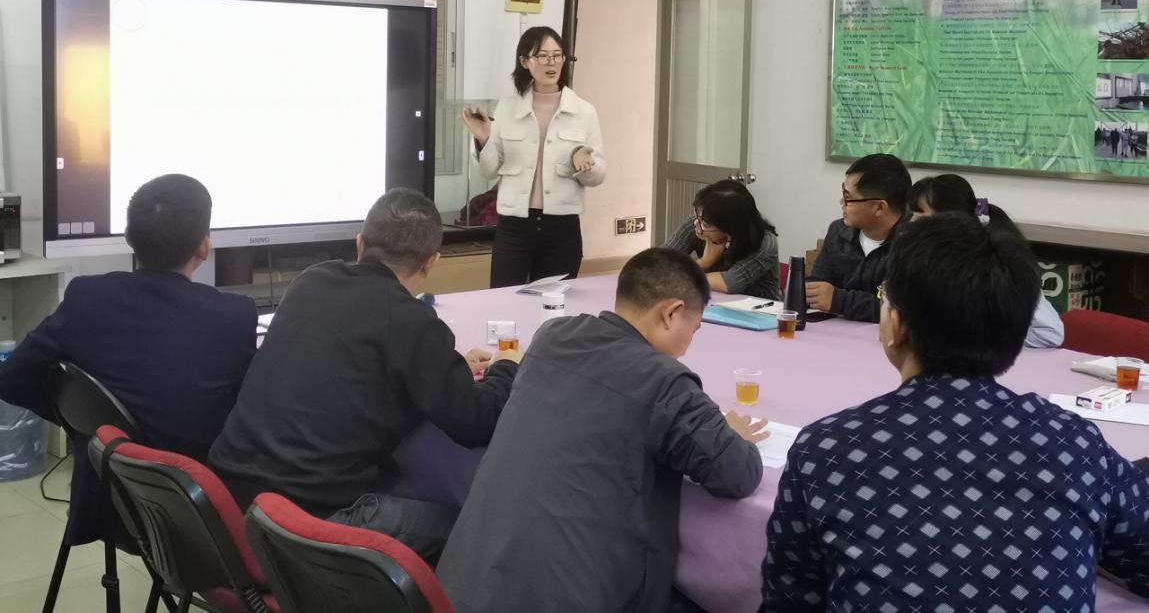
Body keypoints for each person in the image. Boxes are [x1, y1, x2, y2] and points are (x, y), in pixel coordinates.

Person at [760, 213, 1149, 610]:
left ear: (896, 325)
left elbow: (789, 600)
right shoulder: (1074, 445)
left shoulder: (827, 449)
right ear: (1017, 334)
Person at [437, 248, 767, 612]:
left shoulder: (552, 335)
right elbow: (738, 472)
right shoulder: (665, 382)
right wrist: (733, 435)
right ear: (672, 313)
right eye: (695, 327)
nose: (689, 343)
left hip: (462, 588)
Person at [209, 188, 519, 561]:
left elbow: (360, 369)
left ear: (360, 243)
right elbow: (476, 422)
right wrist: (506, 367)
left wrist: (445, 368)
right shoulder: (412, 321)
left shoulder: (311, 281)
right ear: (431, 262)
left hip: (231, 502)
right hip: (309, 521)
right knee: (467, 527)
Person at [0, 174, 256, 545]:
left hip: (103, 501)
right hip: (195, 521)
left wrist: (82, 422)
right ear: (204, 247)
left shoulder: (87, 297)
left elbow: (11, 378)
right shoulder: (235, 317)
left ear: (128, 237)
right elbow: (249, 420)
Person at [461, 26, 605, 288]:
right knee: (504, 298)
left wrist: (584, 165)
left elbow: (598, 176)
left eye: (557, 55)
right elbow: (489, 170)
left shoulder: (584, 111)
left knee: (555, 303)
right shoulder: (508, 108)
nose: (552, 62)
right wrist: (484, 138)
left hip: (561, 227)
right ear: (525, 61)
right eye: (542, 55)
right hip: (514, 226)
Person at [908, 173, 1063, 347]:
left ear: (948, 219)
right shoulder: (924, 260)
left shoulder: (993, 264)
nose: (911, 223)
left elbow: (1050, 333)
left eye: (919, 216)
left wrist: (982, 337)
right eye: (912, 215)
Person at [805, 153, 910, 322]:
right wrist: (807, 292)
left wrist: (839, 300)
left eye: (848, 197)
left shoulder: (914, 244)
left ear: (879, 207)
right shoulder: (839, 231)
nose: (841, 202)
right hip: (834, 331)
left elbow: (903, 310)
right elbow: (819, 285)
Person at [664, 179, 781, 299]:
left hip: (758, 306)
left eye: (705, 224)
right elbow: (660, 265)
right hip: (711, 301)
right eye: (696, 216)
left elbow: (729, 283)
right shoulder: (697, 224)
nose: (697, 225)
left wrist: (683, 273)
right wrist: (704, 262)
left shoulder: (765, 242)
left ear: (730, 229)